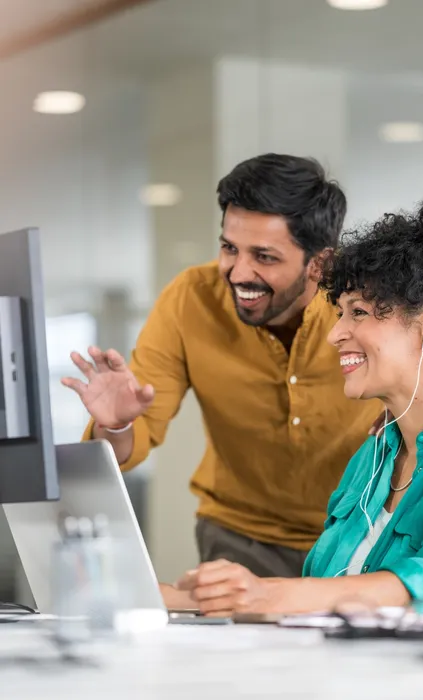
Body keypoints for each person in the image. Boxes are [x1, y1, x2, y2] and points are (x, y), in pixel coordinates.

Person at [172, 191, 423, 616]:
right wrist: (171, 597)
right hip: (352, 671)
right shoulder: (375, 454)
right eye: (340, 312)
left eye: (358, 313)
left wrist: (264, 595)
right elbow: (321, 590)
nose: (334, 334)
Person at [62, 154, 382, 582]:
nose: (238, 271)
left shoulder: (371, 307)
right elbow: (132, 441)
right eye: (229, 248)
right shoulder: (190, 299)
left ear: (319, 264)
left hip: (360, 535)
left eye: (264, 257)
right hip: (240, 539)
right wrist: (117, 426)